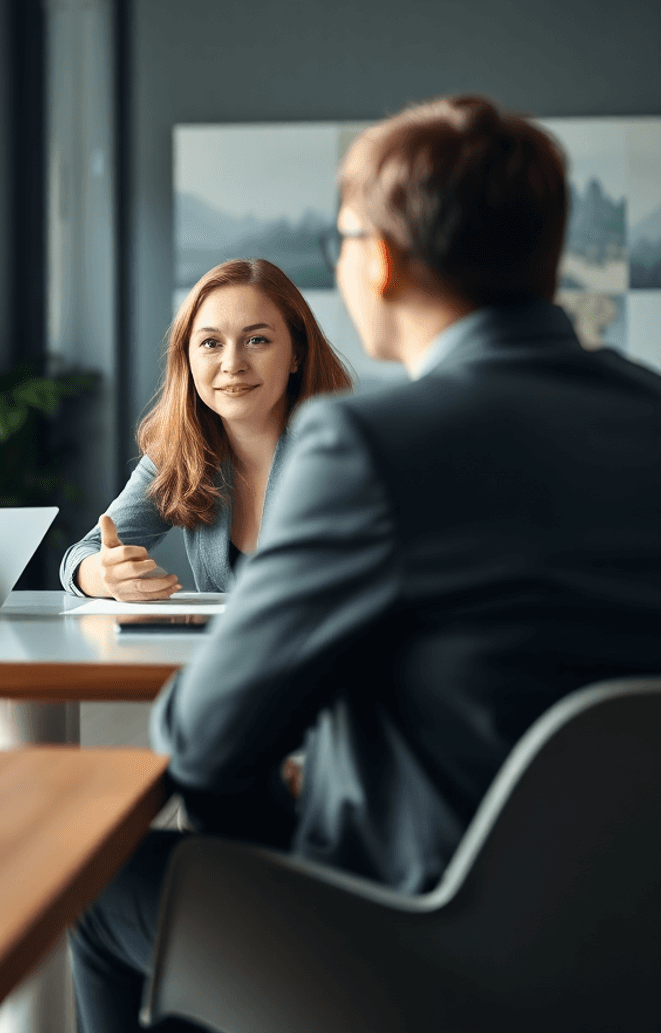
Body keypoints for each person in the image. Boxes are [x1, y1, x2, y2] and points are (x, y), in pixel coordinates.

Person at [68, 95, 661, 1032]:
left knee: (98, 887)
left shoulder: (364, 445)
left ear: (376, 261)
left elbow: (208, 745)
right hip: (634, 945)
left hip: (426, 952)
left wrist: (299, 844)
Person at [60, 259, 350, 601]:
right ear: (188, 357)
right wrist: (104, 576)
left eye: (257, 340)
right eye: (211, 343)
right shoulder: (181, 452)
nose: (232, 365)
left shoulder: (345, 451)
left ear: (296, 355)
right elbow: (83, 555)